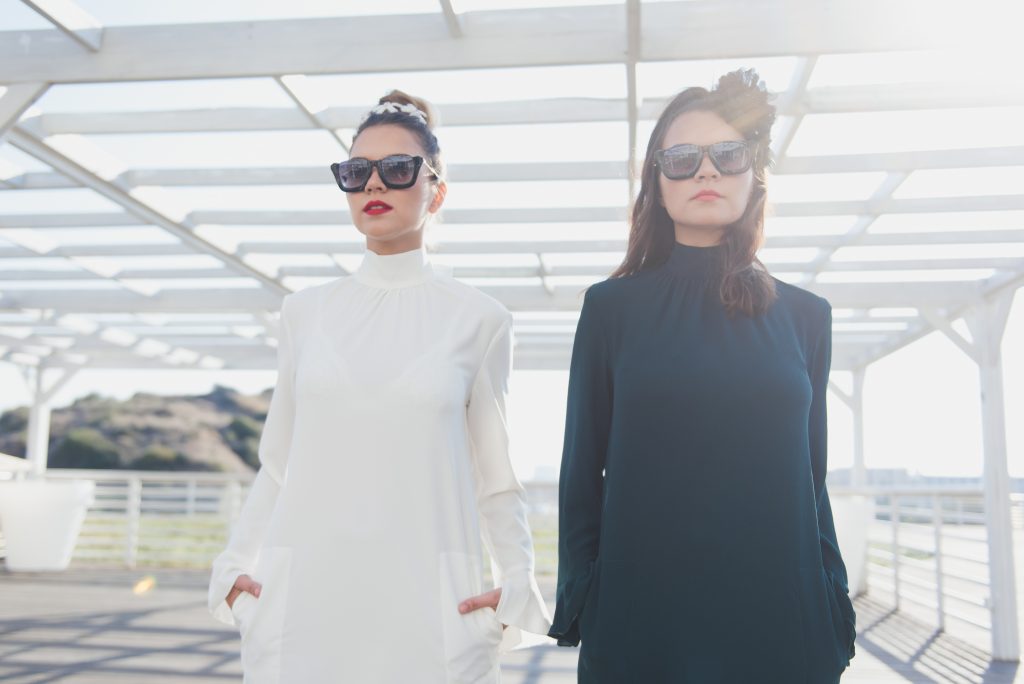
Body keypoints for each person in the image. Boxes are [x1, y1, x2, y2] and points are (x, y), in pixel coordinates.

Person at [208, 90, 551, 683]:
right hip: (303, 612)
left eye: (397, 169)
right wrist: (233, 571)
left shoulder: (481, 319)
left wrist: (517, 584)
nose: (373, 184)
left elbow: (497, 480)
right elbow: (277, 464)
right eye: (356, 171)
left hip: (432, 618)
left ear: (436, 191)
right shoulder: (303, 313)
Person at [548, 70, 857, 683]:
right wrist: (586, 602)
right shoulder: (610, 309)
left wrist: (833, 597)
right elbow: (580, 475)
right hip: (641, 622)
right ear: (657, 183)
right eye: (683, 158)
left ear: (753, 174)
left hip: (784, 621)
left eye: (728, 154)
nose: (706, 172)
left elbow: (812, 480)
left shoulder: (807, 316)